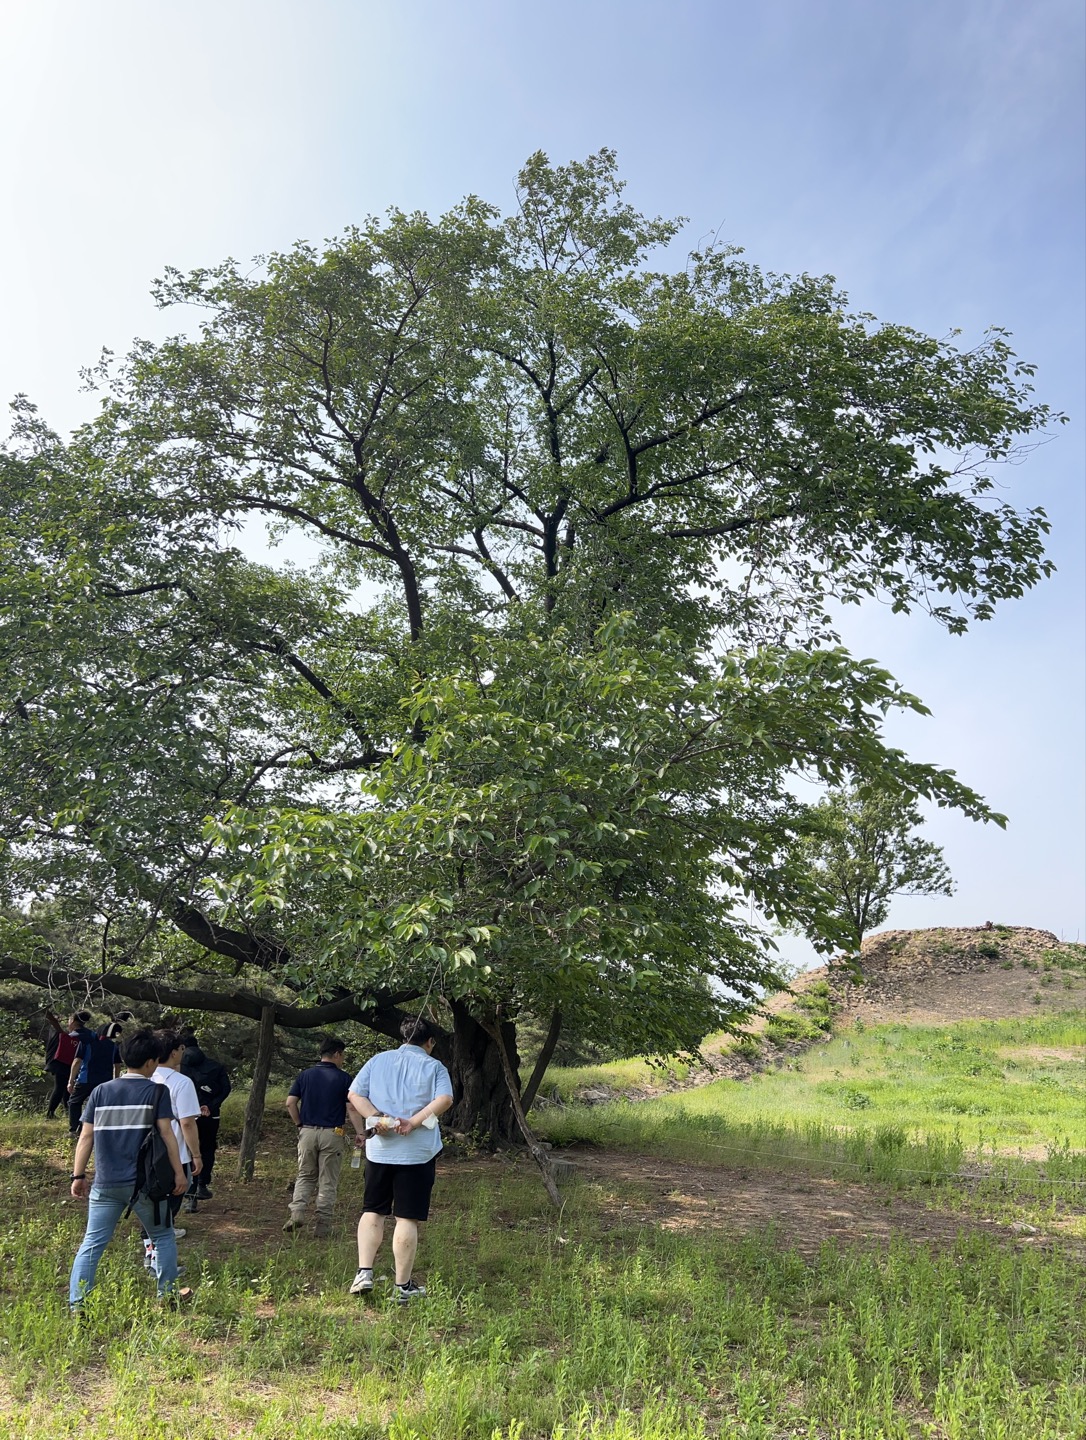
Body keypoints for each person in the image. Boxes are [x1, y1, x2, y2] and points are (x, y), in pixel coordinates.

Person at [68, 1028, 188, 1313]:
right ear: (150, 1062)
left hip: (106, 1183)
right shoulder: (157, 1091)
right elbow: (168, 1135)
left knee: (92, 1244)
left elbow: (86, 1137)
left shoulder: (101, 1091)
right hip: (145, 1185)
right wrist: (179, 1174)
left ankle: (78, 1304)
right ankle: (168, 1296)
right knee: (162, 1236)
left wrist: (78, 1175)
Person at [346, 1016, 453, 1304]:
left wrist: (377, 1117)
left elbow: (354, 1094)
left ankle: (364, 1272)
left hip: (380, 1150)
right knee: (407, 1217)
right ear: (430, 1042)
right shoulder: (434, 1066)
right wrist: (413, 1122)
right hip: (417, 1153)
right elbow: (445, 1100)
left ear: (403, 1036)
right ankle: (401, 1287)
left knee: (373, 1210)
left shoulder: (378, 1060)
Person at [283, 1037, 366, 1238]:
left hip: (308, 1132)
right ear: (337, 1054)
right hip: (332, 1133)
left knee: (305, 1175)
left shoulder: (305, 1076)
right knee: (328, 1179)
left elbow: (290, 1103)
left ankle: (297, 1212)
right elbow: (352, 1108)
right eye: (343, 1055)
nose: (343, 1059)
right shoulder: (344, 1079)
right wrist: (361, 1133)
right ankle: (323, 1226)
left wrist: (299, 1124)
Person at [136, 1030, 202, 1272]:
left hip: (142, 1154)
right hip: (174, 1155)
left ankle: (149, 1253)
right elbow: (187, 1122)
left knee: (147, 1206)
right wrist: (196, 1154)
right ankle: (159, 1263)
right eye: (182, 1050)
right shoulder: (181, 1082)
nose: (183, 1054)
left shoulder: (141, 1077)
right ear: (174, 1052)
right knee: (167, 1211)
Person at [179, 1028, 231, 1203]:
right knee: (207, 1149)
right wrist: (210, 1105)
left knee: (187, 1149)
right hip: (211, 1115)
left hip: (186, 1115)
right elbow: (226, 1089)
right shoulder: (215, 1066)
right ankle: (202, 1184)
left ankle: (189, 1193)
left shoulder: (180, 1068)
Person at [67, 1013, 121, 1136]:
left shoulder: (87, 1042)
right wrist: (115, 1081)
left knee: (74, 1102)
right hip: (105, 1081)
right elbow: (117, 1065)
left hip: (86, 1079)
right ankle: (97, 1128)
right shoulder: (113, 1046)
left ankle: (74, 1130)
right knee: (98, 1105)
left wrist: (71, 1080)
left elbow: (77, 1061)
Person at [43, 1009, 79, 1119]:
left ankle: (53, 1112)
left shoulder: (68, 1037)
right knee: (63, 1088)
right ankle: (57, 1112)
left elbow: (57, 1027)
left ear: (72, 1022)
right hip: (68, 1065)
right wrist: (51, 1018)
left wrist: (50, 1017)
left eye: (69, 1021)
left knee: (62, 1088)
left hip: (63, 1064)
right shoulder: (80, 1037)